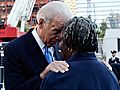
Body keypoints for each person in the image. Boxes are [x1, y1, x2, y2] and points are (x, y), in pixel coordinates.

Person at [3, 1, 72, 90]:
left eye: (64, 32)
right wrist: (43, 76)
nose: (61, 36)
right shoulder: (14, 49)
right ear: (41, 23)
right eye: (56, 31)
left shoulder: (61, 46)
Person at [40, 16, 120, 90]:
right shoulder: (110, 76)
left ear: (69, 45)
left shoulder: (55, 78)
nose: (58, 45)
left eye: (60, 40)